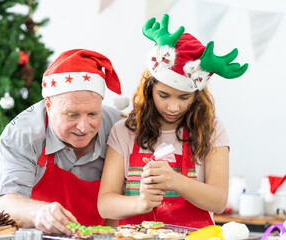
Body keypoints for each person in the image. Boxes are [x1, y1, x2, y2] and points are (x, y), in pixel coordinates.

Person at [97, 14, 248, 228]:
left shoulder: (212, 130)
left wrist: (175, 181)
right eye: (164, 95)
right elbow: (105, 204)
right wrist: (141, 203)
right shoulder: (125, 131)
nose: (173, 107)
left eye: (184, 97)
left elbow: (219, 201)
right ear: (149, 90)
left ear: (196, 95)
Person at [0, 49, 124, 234]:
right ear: (49, 105)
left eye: (92, 114)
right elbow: (6, 204)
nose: (84, 127)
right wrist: (38, 214)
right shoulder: (23, 134)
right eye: (72, 114)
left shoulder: (119, 128)